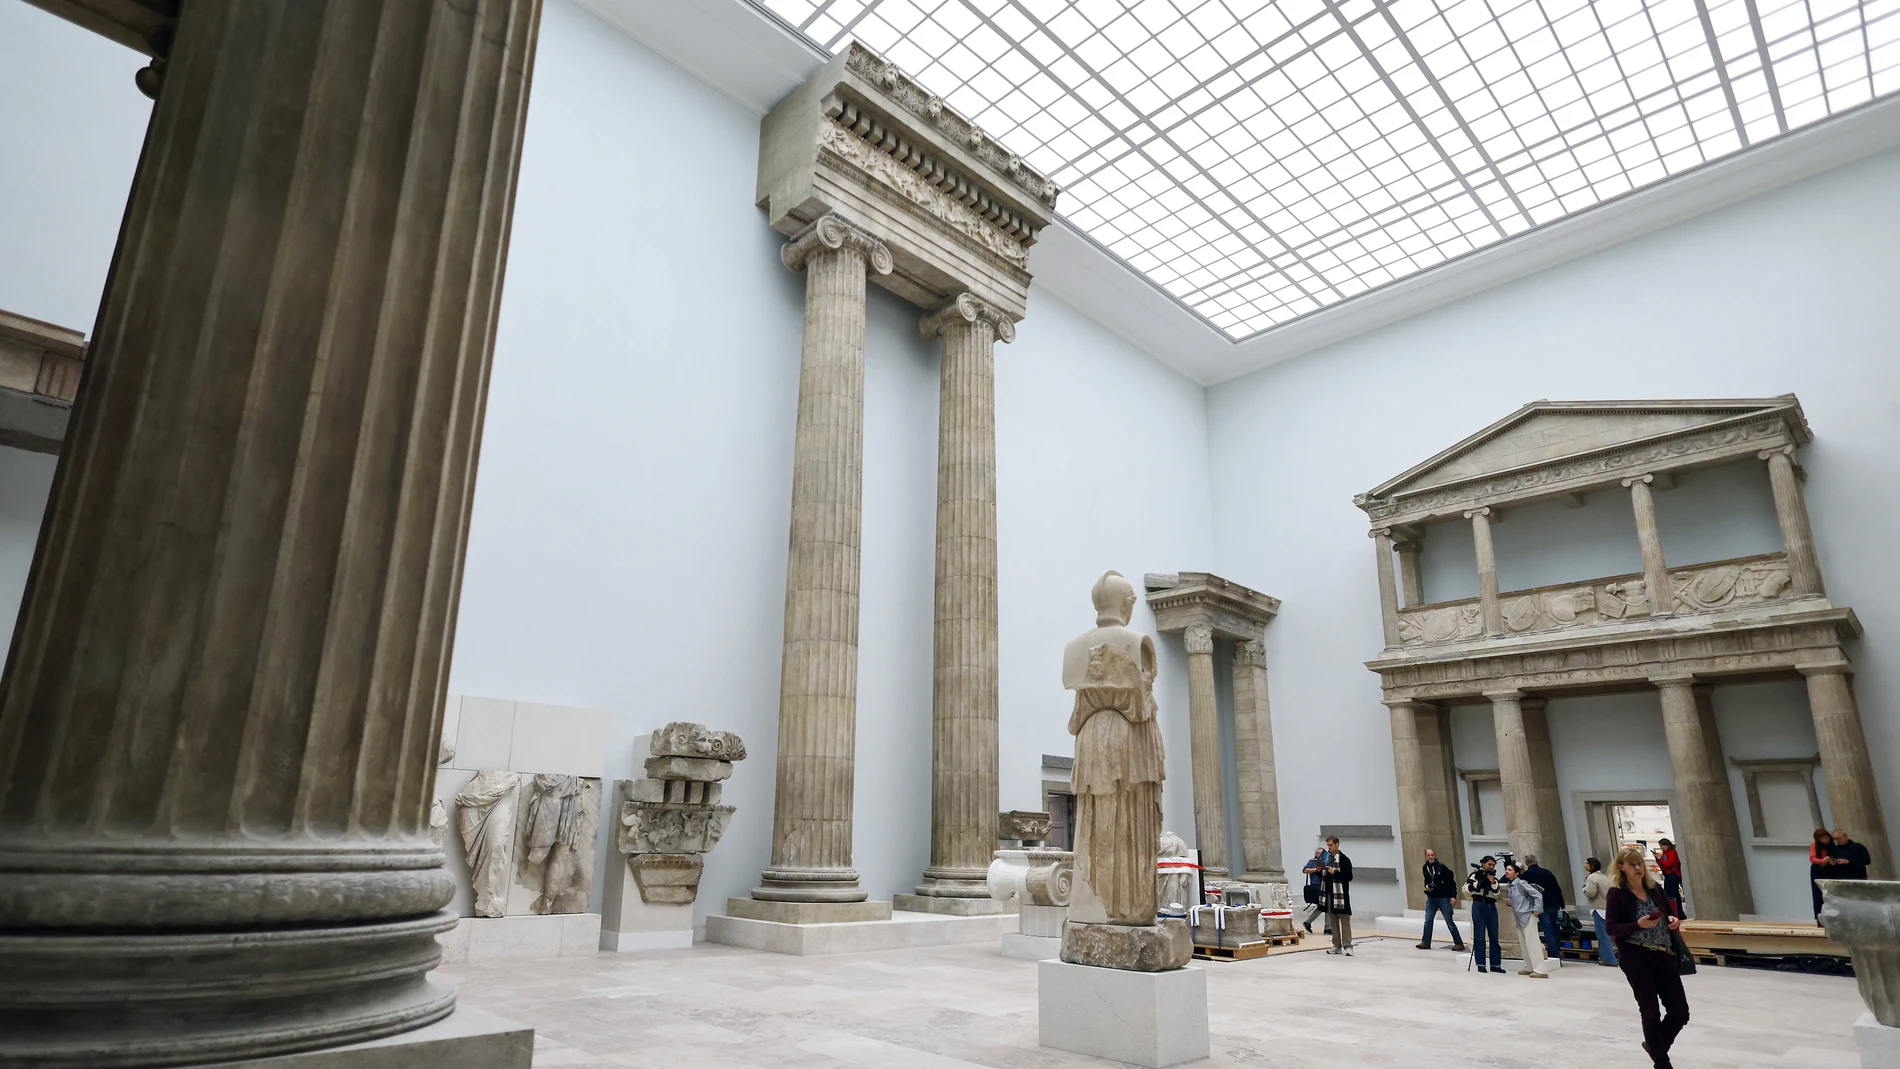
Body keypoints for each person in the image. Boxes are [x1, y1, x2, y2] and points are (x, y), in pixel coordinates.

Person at [1606, 846, 1689, 1068]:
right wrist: (1637, 924)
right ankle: (1662, 1062)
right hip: (1636, 956)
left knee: (1680, 1012)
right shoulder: (1617, 894)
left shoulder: (1655, 889)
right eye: (1632, 864)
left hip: (1664, 955)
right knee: (1650, 1011)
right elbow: (1611, 927)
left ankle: (1654, 1045)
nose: (1637, 868)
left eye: (1640, 863)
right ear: (1621, 868)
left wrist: (1673, 919)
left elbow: (1669, 912)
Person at [1504, 862, 1550, 978]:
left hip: (1527, 916)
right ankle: (1529, 966)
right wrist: (1511, 903)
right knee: (1524, 943)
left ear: (1517, 873)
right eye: (1506, 869)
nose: (1507, 871)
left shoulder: (1521, 883)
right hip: (1519, 917)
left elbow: (1538, 895)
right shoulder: (1511, 886)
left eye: (1509, 869)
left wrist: (1536, 909)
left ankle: (1540, 969)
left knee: (1532, 943)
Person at [1417, 848, 1466, 951]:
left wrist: (1453, 896)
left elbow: (1451, 882)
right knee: (1428, 920)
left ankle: (1458, 943)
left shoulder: (1441, 867)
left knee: (1449, 921)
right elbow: (1427, 879)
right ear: (1426, 856)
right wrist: (1426, 885)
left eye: (1432, 855)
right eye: (1429, 855)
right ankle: (1426, 942)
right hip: (1431, 898)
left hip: (1443, 897)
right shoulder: (1425, 868)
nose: (1431, 857)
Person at [1521, 853, 1567, 959]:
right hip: (1554, 904)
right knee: (1555, 928)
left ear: (1527, 864)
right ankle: (1557, 949)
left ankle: (1554, 952)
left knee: (1547, 929)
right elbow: (1557, 889)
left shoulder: (1526, 875)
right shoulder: (1547, 873)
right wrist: (1562, 905)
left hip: (1541, 906)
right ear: (1537, 862)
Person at [1466, 855, 1505, 974]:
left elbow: (1496, 892)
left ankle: (1496, 964)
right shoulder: (1474, 875)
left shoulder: (1494, 877)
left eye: (1493, 865)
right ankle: (1481, 964)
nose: (1491, 867)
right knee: (1480, 936)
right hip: (1478, 905)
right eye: (1489, 864)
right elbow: (1469, 889)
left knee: (1494, 935)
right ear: (1483, 863)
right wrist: (1479, 882)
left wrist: (1491, 880)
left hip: (1491, 906)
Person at [1321, 835, 1354, 955]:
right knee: (1333, 921)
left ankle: (1348, 946)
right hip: (1329, 894)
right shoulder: (1328, 859)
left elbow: (1349, 877)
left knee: (1344, 921)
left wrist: (1334, 872)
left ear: (1337, 844)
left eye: (1331, 845)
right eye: (1328, 845)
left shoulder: (1344, 859)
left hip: (1341, 896)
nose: (1329, 847)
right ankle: (1336, 945)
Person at [1582, 856, 1616, 966]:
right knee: (1604, 935)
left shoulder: (1591, 878)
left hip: (1598, 908)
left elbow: (1591, 892)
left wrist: (1584, 889)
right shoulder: (1604, 877)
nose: (1585, 865)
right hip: (1607, 908)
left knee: (1603, 936)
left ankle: (1609, 960)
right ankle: (1603, 957)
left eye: (1587, 863)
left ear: (1592, 866)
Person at [1301, 847, 1330, 935]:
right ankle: (1327, 928)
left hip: (1325, 886)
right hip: (1316, 886)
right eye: (1320, 854)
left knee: (1324, 906)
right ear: (1316, 854)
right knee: (1326, 906)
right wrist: (1316, 870)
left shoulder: (1325, 862)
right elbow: (1305, 870)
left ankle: (1309, 922)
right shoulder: (1313, 861)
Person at [1808, 828, 1834, 918]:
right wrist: (1822, 861)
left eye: (1826, 837)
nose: (1825, 840)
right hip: (1818, 870)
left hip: (1831, 870)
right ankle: (1819, 917)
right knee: (1818, 894)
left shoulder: (1833, 845)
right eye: (1822, 838)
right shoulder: (1814, 845)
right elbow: (1812, 858)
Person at [1654, 839, 1683, 914]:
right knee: (1669, 894)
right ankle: (1673, 911)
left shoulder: (1672, 853)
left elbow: (1669, 864)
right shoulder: (1666, 854)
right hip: (1668, 875)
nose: (1661, 848)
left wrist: (1660, 859)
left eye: (1661, 846)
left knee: (1673, 894)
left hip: (1673, 875)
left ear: (1667, 845)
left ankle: (1678, 912)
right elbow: (1663, 864)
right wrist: (1657, 859)